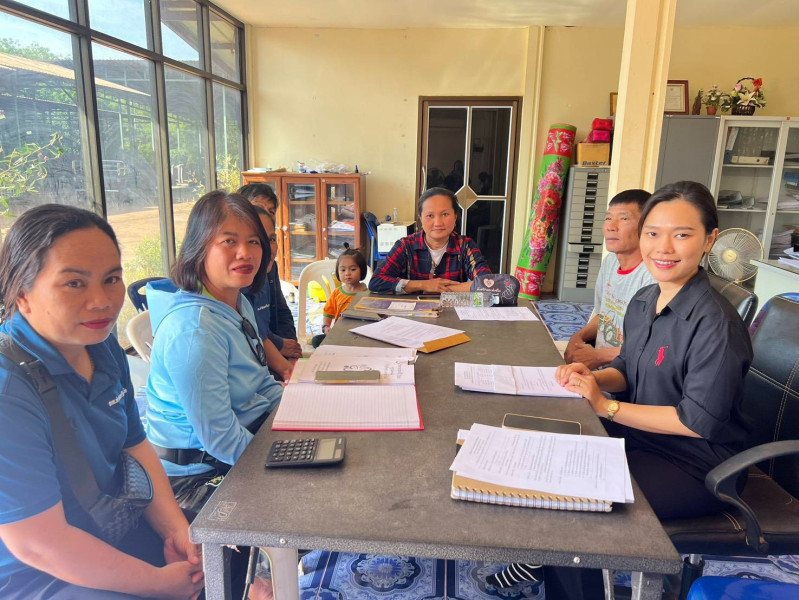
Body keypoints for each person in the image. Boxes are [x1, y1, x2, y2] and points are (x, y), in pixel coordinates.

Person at [492, 181, 755, 599]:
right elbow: (629, 367)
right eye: (653, 233)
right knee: (545, 448)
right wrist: (592, 379)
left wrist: (606, 408)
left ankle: (559, 569)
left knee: (573, 503)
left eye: (682, 235)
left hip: (697, 464)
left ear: (709, 240)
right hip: (641, 436)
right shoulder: (646, 300)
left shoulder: (715, 325)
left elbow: (695, 422)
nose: (663, 247)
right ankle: (548, 560)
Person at [0, 205, 203, 600]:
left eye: (111, 279)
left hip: (114, 527)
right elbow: (40, 544)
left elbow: (135, 447)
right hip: (38, 575)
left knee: (226, 554)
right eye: (74, 283)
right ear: (22, 295)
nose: (102, 301)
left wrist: (177, 531)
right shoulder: (9, 391)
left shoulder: (102, 347)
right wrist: (159, 583)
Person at [145, 191, 284, 504]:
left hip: (245, 439)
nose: (245, 253)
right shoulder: (194, 330)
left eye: (254, 241)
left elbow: (262, 381)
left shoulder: (238, 302)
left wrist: (299, 416)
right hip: (198, 474)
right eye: (229, 241)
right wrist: (283, 468)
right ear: (199, 247)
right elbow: (221, 440)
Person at [564, 189, 655, 369]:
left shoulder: (653, 277)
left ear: (648, 227)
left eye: (624, 218)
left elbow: (651, 346)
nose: (611, 227)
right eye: (608, 218)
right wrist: (578, 337)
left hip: (628, 376)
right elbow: (603, 315)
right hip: (600, 369)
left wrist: (598, 356)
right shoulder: (611, 262)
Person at [368, 187, 491, 294]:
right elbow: (377, 282)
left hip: (451, 311)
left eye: (445, 214)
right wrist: (424, 285)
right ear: (421, 219)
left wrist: (439, 288)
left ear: (455, 217)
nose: (438, 223)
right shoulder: (405, 246)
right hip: (413, 311)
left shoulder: (465, 245)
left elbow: (488, 283)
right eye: (430, 216)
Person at [237, 183, 302, 361]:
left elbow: (281, 311)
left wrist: (291, 347)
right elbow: (247, 327)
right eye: (258, 208)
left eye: (271, 211)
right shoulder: (239, 273)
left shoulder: (270, 266)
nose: (265, 215)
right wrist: (280, 346)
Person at [310, 248, 368, 348]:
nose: (347, 273)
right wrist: (326, 327)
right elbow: (328, 314)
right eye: (343, 270)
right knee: (316, 341)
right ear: (338, 271)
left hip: (359, 336)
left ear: (362, 270)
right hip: (339, 335)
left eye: (353, 269)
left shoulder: (367, 294)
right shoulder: (336, 293)